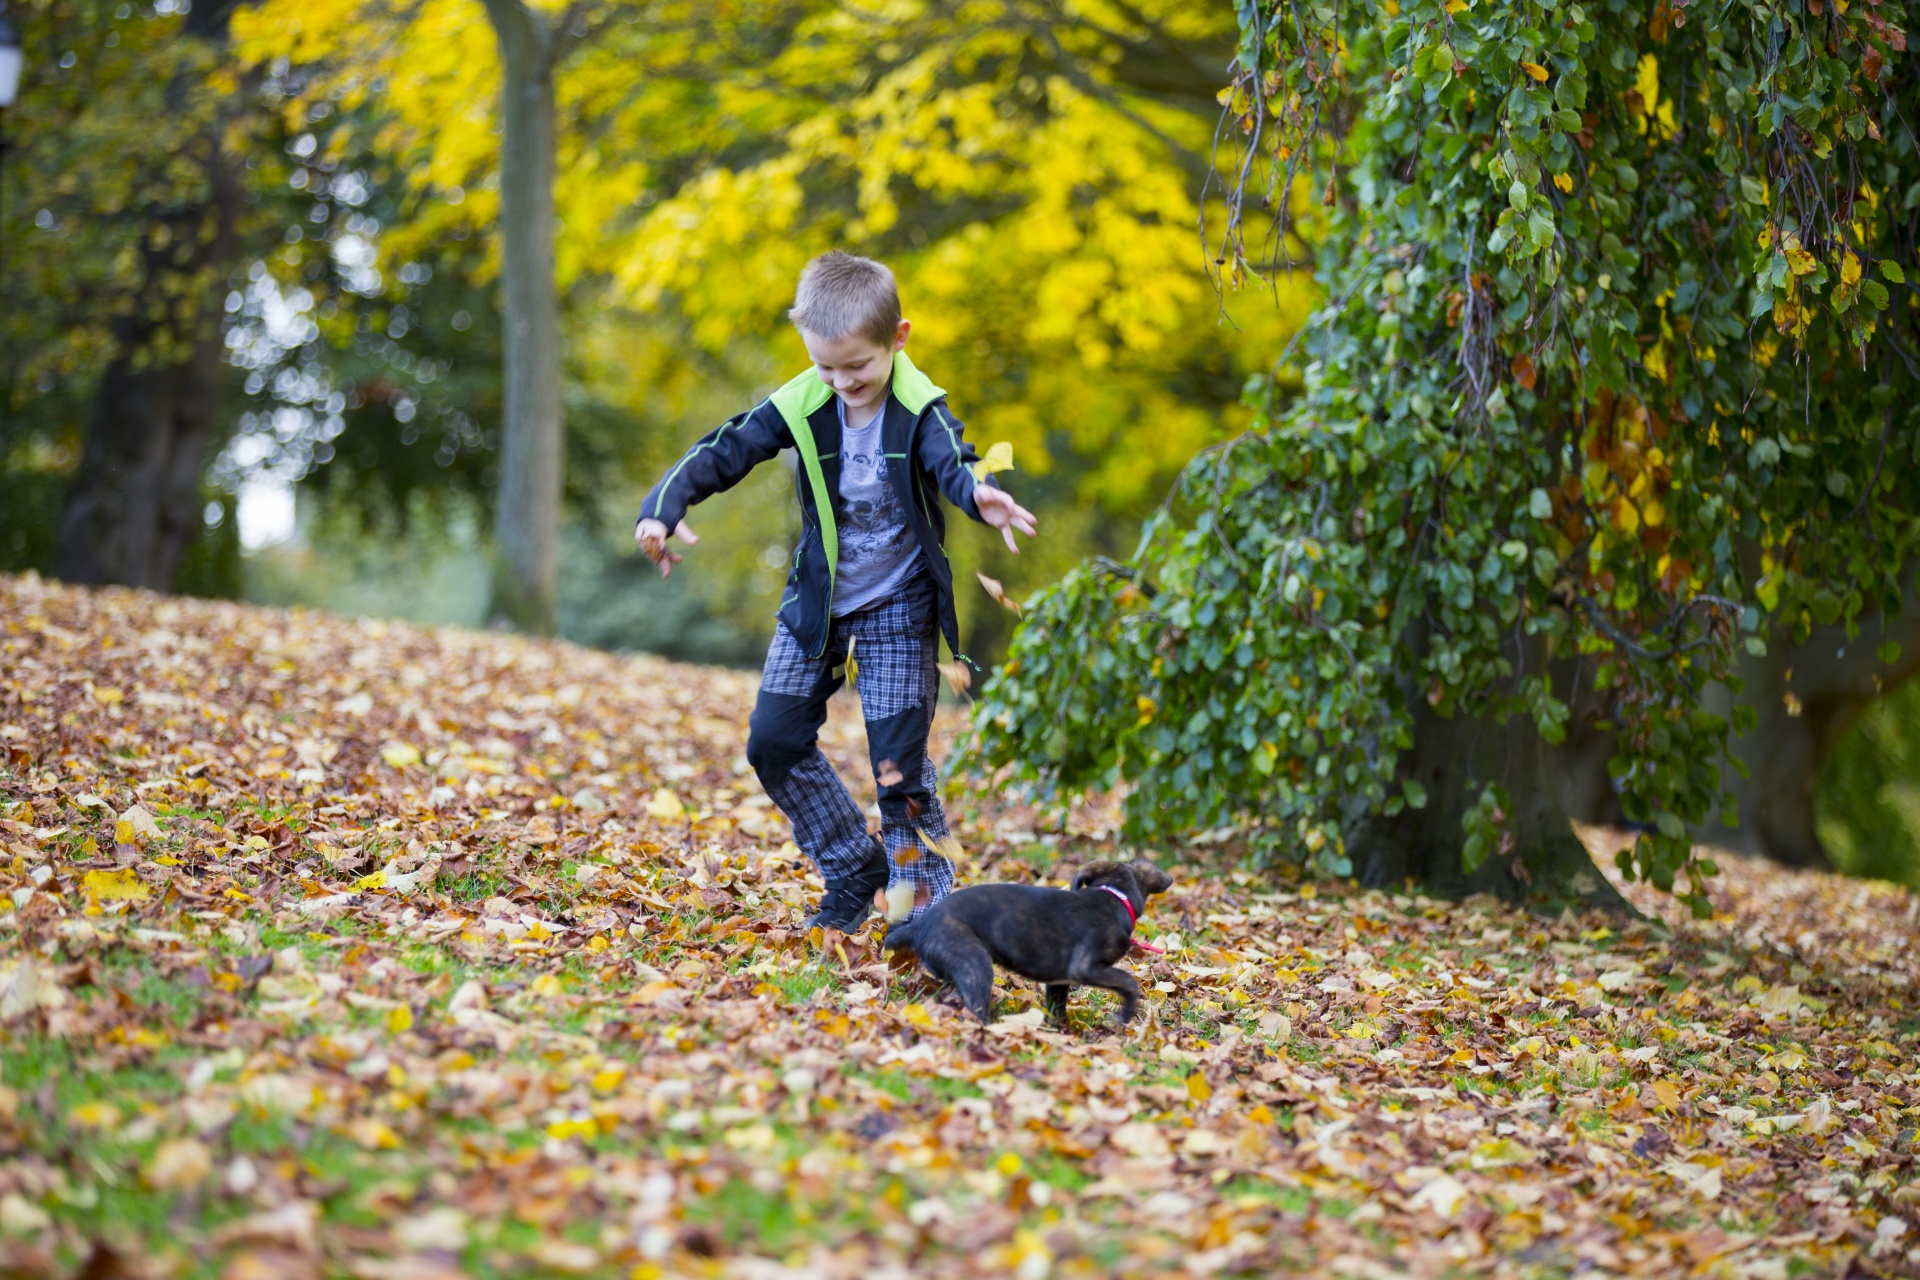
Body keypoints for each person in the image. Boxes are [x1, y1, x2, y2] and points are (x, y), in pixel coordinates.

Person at [634, 251, 1038, 932]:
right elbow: (724, 450)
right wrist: (662, 508)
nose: (842, 381)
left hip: (899, 610)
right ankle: (854, 867)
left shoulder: (918, 405)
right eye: (826, 366)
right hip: (818, 605)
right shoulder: (805, 399)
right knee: (773, 741)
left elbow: (951, 459)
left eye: (857, 366)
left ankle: (926, 909)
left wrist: (977, 495)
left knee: (898, 769)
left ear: (897, 339)